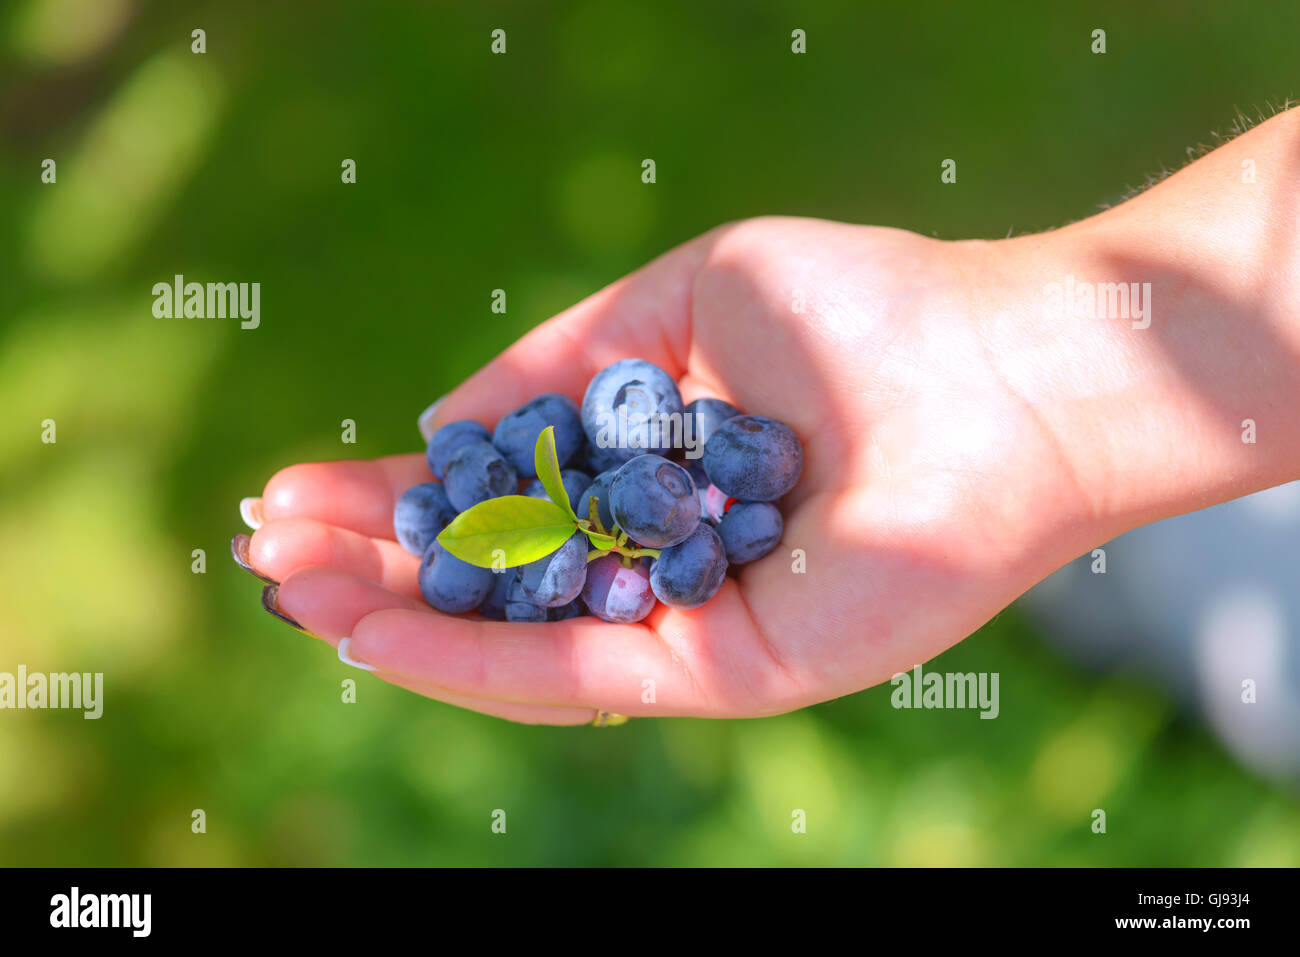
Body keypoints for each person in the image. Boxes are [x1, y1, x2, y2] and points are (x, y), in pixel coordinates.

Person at [234, 107, 1300, 727]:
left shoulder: (668, 489)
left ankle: (1110, 599)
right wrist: (1021, 377)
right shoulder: (656, 498)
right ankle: (1113, 596)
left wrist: (1017, 384)